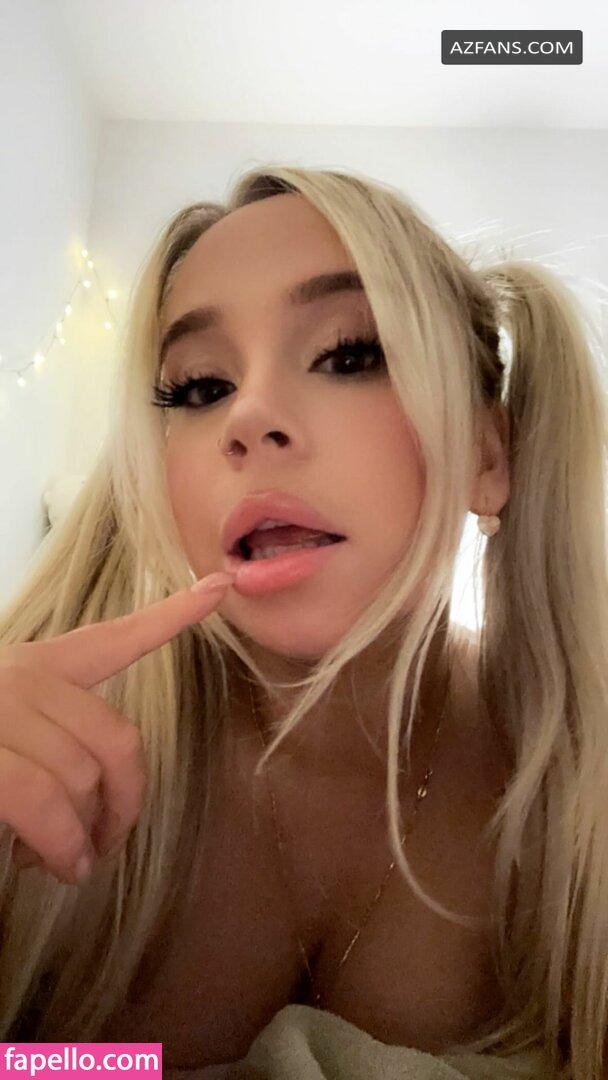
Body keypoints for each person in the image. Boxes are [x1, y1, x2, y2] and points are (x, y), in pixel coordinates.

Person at [0, 165, 605, 1080]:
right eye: (199, 387)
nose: (246, 418)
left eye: (349, 354)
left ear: (489, 457)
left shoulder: (580, 787)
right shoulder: (56, 744)